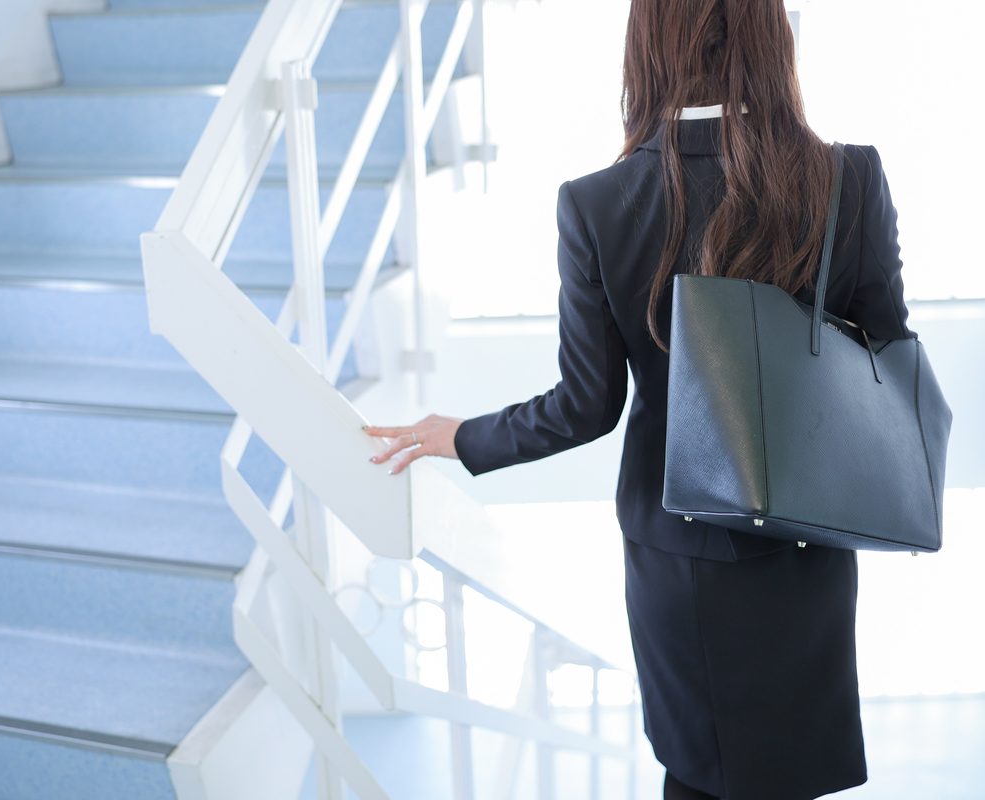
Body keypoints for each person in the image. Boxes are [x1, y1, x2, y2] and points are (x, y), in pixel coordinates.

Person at [364, 1, 917, 797]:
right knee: (789, 772)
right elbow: (888, 353)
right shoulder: (848, 178)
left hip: (682, 556)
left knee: (697, 770)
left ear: (648, 47)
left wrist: (461, 436)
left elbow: (586, 406)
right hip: (806, 543)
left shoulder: (597, 203)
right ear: (771, 36)